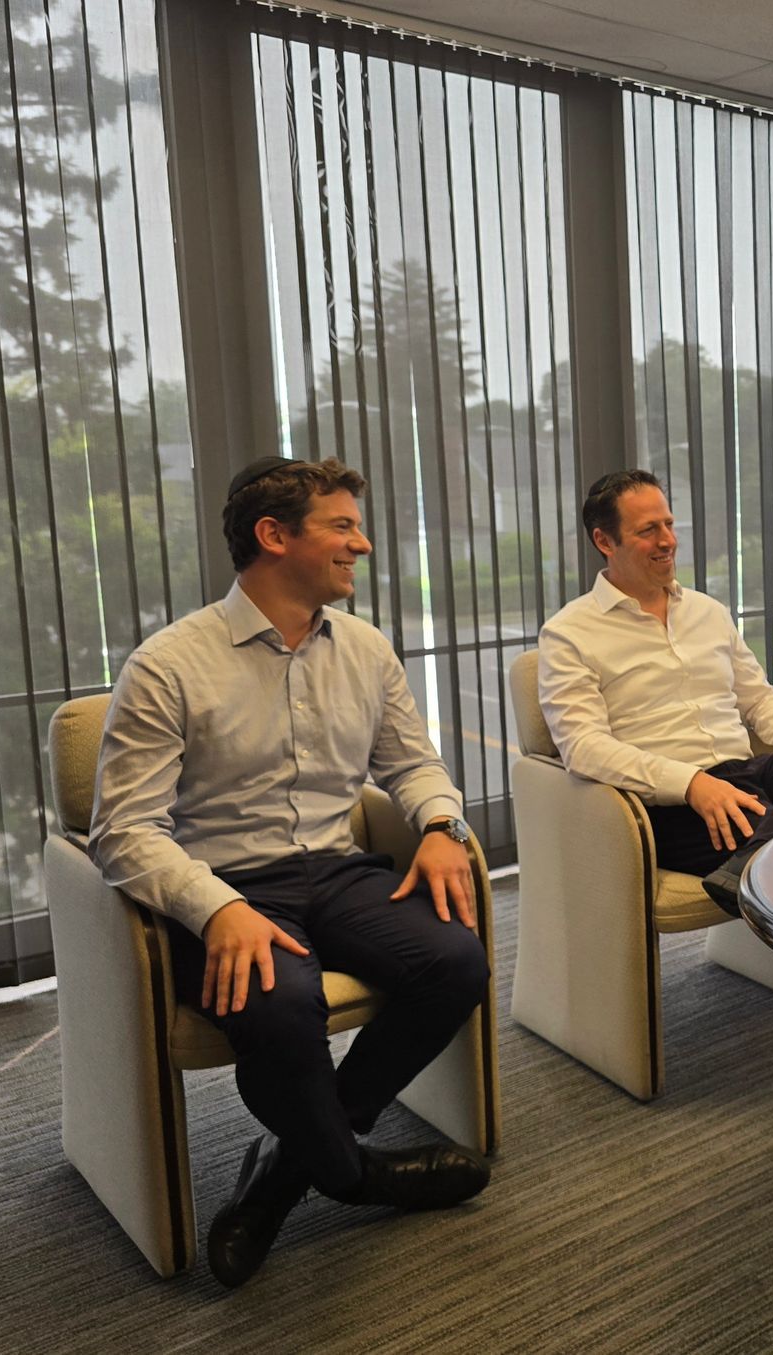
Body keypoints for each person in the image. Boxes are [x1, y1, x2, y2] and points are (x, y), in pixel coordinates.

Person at [89, 457, 492, 1289]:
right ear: (274, 537)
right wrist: (216, 907)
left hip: (336, 867)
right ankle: (354, 1175)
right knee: (281, 1006)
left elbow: (413, 765)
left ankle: (287, 1170)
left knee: (456, 962)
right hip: (227, 883)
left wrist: (444, 824)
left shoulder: (368, 650)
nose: (364, 543)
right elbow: (122, 830)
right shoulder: (168, 665)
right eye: (342, 526)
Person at [536, 470, 773, 1153]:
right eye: (649, 530)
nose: (668, 539)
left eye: (669, 524)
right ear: (604, 541)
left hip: (753, 781)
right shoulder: (569, 635)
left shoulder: (707, 611)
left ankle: (764, 851)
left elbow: (758, 702)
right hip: (666, 807)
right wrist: (691, 782)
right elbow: (583, 749)